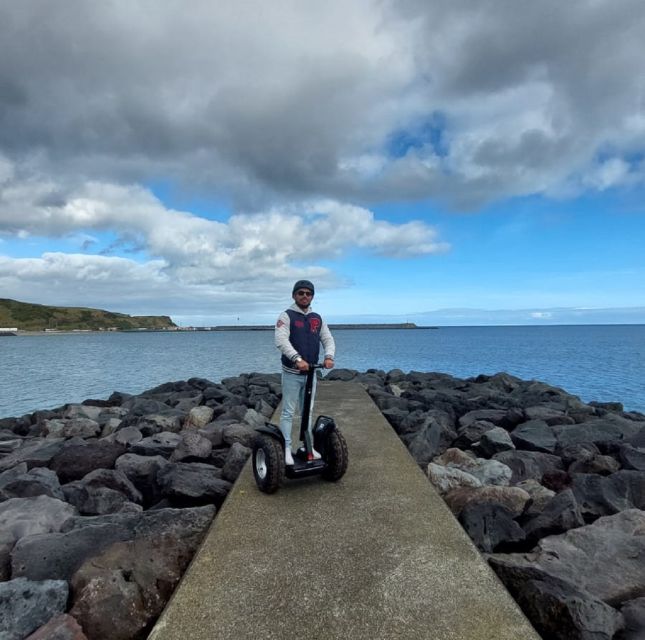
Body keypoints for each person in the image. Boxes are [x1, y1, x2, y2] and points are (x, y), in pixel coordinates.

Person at [275, 279, 335, 466]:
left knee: (307, 411)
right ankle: (286, 448)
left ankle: (307, 446)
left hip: (311, 374)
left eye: (308, 293)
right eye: (300, 293)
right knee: (288, 412)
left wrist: (329, 356)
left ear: (312, 297)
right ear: (294, 295)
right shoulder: (286, 316)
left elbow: (327, 339)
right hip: (292, 372)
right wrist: (297, 358)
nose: (304, 296)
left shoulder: (318, 317)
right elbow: (281, 341)